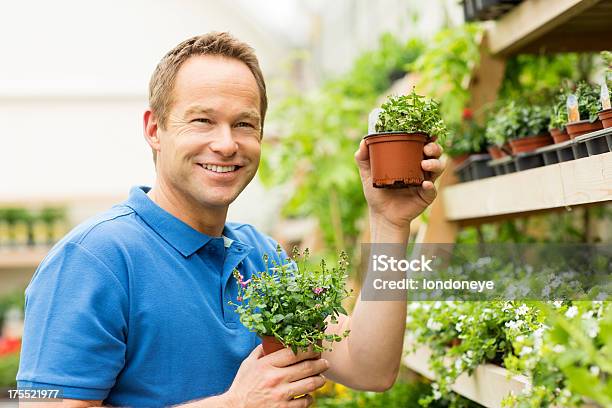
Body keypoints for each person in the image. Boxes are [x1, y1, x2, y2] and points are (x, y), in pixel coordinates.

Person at [17, 32, 444, 407]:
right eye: (203, 120)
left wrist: (390, 225)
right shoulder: (94, 259)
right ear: (154, 129)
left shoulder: (261, 255)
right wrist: (234, 404)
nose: (226, 144)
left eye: (244, 124)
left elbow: (368, 369)